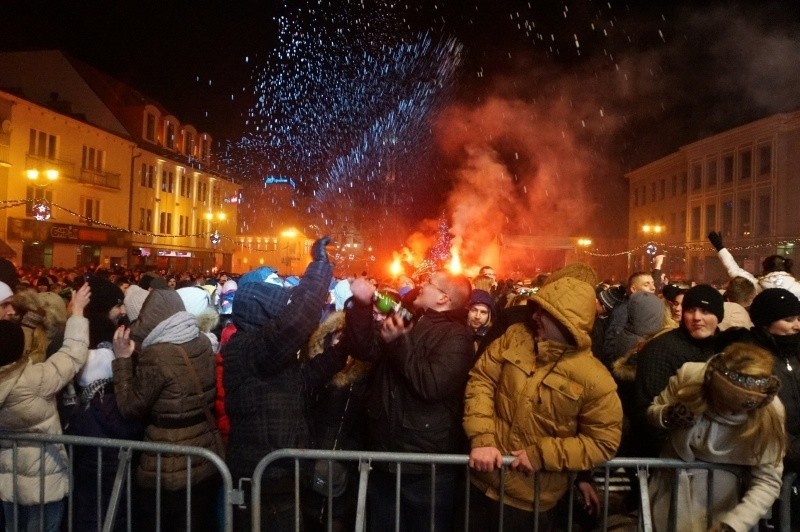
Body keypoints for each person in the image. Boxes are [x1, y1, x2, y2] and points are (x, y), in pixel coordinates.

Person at [464, 263, 623, 531]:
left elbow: (603, 441)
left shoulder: (596, 379)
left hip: (532, 501)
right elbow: (481, 379)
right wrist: (482, 438)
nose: (534, 316)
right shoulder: (515, 337)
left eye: (544, 312)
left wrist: (543, 455)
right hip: (480, 484)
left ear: (567, 322)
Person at [224, 237, 347, 531]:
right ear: (262, 314)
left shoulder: (267, 355)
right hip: (265, 477)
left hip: (281, 474)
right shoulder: (249, 348)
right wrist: (319, 266)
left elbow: (305, 378)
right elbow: (297, 320)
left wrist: (344, 347)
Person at [345, 269, 474, 531]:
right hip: (384, 456)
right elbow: (363, 348)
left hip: (424, 466)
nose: (421, 285)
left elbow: (431, 384)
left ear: (443, 298)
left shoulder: (457, 337)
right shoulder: (409, 318)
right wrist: (361, 305)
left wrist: (398, 342)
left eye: (428, 283)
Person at [112, 289, 222, 531]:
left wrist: (122, 361)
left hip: (166, 460)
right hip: (204, 453)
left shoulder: (157, 355)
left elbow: (131, 407)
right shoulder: (202, 342)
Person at [647, 343, 785, 532]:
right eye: (722, 401)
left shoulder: (771, 414)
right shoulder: (691, 376)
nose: (727, 411)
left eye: (738, 408)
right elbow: (653, 411)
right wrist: (668, 415)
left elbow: (767, 481)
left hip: (724, 501)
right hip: (671, 487)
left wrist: (734, 525)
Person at [0, 283, 91, 532]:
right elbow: (73, 354)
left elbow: (11, 349)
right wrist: (78, 313)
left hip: (8, 479)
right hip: (43, 478)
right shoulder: (33, 380)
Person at [632, 284, 734, 457]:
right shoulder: (660, 349)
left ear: (719, 316)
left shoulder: (729, 349)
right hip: (674, 454)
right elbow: (646, 409)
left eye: (705, 311)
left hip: (719, 451)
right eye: (691, 310)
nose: (697, 317)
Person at [709, 231, 800, 299]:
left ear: (765, 269)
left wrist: (720, 247)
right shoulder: (797, 286)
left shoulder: (757, 285)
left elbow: (734, 270)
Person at [601, 269, 658, 359]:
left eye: (653, 283)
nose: (653, 288)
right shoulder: (624, 309)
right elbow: (612, 343)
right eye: (646, 285)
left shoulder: (648, 308)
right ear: (633, 289)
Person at [467, 288, 496, 355]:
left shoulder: (492, 338)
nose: (477, 316)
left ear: (489, 315)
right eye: (474, 310)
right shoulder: (457, 333)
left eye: (483, 312)